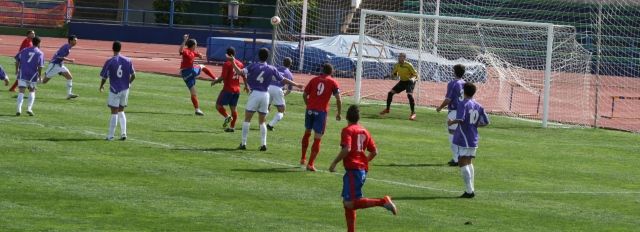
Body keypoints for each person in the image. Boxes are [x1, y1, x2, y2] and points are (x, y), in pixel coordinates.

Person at [329, 105, 398, 232]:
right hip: (361, 170)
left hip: (353, 170)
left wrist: (334, 163)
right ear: (358, 118)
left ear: (347, 117)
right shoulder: (365, 131)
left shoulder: (347, 130)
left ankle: (383, 202)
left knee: (349, 203)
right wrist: (364, 161)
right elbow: (374, 151)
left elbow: (347, 148)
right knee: (348, 203)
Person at [229, 48, 303, 151]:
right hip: (265, 95)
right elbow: (283, 80)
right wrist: (297, 85)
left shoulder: (253, 66)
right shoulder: (272, 68)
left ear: (258, 56)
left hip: (255, 94)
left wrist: (232, 62)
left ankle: (243, 143)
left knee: (247, 119)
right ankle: (263, 144)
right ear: (267, 57)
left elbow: (239, 72)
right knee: (262, 121)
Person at [448, 82, 490, 198]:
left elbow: (460, 119)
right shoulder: (479, 106)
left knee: (462, 162)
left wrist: (451, 122)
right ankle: (471, 189)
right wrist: (474, 125)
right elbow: (486, 122)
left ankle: (469, 191)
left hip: (464, 137)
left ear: (464, 91)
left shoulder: (463, 104)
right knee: (469, 162)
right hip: (474, 137)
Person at [300, 63, 342, 171]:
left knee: (307, 132)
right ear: (331, 72)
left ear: (322, 70)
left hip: (309, 110)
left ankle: (302, 158)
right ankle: (310, 164)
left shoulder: (314, 80)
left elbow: (304, 95)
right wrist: (339, 113)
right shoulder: (333, 82)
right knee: (317, 138)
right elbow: (338, 99)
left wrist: (308, 105)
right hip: (321, 112)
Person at [99, 41, 136, 141]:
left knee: (114, 112)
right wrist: (129, 84)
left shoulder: (110, 61)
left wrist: (101, 86)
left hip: (115, 89)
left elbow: (104, 76)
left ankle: (110, 136)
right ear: (120, 48)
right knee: (121, 111)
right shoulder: (128, 60)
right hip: (125, 89)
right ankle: (124, 133)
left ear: (112, 48)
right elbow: (133, 76)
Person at [178, 34, 218, 115]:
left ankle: (197, 109)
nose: (196, 46)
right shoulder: (186, 51)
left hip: (185, 75)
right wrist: (185, 40)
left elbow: (196, 54)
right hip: (190, 71)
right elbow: (180, 50)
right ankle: (215, 78)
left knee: (193, 92)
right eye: (196, 45)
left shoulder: (192, 51)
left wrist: (199, 55)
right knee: (202, 66)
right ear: (193, 45)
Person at [436, 64, 466, 166]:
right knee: (460, 136)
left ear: (454, 72)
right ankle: (461, 157)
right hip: (463, 112)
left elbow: (448, 99)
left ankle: (456, 159)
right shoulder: (465, 83)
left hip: (454, 112)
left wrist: (440, 107)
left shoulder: (453, 84)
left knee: (452, 136)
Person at [212, 47, 246, 132]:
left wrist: (215, 81)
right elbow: (244, 75)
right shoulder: (240, 64)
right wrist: (246, 86)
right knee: (234, 109)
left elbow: (223, 77)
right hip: (237, 90)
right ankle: (232, 127)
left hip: (228, 89)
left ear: (227, 54)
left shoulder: (227, 64)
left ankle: (227, 117)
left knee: (218, 105)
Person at [379, 53, 418, 120]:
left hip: (410, 82)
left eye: (401, 57)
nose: (399, 58)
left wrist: (412, 79)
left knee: (409, 95)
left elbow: (416, 75)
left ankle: (413, 113)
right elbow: (395, 74)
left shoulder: (408, 65)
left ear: (404, 58)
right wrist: (389, 76)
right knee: (390, 93)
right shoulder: (397, 65)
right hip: (402, 81)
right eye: (399, 57)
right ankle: (387, 109)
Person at [42, 35, 79, 99]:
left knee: (69, 77)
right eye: (75, 40)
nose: (76, 42)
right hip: (54, 65)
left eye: (76, 40)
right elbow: (59, 57)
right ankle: (29, 83)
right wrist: (69, 60)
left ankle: (69, 94)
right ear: (70, 41)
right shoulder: (67, 47)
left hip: (60, 65)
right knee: (43, 81)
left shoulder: (68, 47)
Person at [15, 36, 44, 116]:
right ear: (39, 43)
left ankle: (19, 109)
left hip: (23, 73)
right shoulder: (40, 53)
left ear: (32, 42)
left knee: (21, 91)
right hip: (32, 75)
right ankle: (29, 109)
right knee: (32, 91)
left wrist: (16, 70)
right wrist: (40, 76)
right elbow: (40, 66)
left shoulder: (24, 50)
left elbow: (17, 59)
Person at [266, 57, 294, 131]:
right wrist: (284, 94)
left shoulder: (276, 69)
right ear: (290, 64)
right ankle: (270, 125)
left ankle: (261, 123)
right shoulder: (289, 74)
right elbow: (289, 89)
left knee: (267, 107)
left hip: (269, 87)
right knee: (281, 111)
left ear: (282, 62)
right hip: (278, 89)